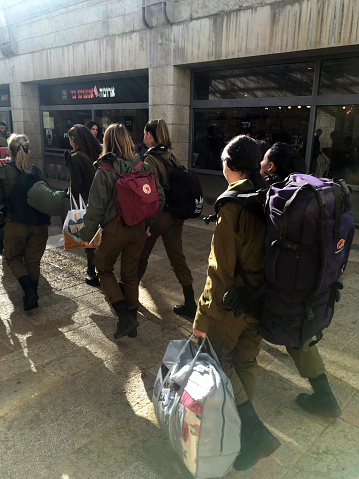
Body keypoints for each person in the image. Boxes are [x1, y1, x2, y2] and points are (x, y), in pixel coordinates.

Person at [193, 135, 280, 471]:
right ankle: (246, 434)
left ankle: (251, 434)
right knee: (246, 363)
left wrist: (201, 322)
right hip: (262, 301)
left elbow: (219, 272)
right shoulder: (268, 194)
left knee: (219, 364)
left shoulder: (232, 205)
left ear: (230, 165)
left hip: (233, 307)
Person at [260, 142, 342, 419]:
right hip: (313, 284)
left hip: (283, 287)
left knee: (292, 335)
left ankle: (325, 398)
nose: (260, 163)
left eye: (264, 159)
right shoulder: (304, 195)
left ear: (271, 166)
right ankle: (324, 395)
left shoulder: (278, 200)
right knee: (301, 336)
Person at [79, 123, 164, 340]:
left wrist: (84, 236)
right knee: (130, 274)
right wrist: (147, 224)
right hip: (137, 229)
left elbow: (95, 208)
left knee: (103, 268)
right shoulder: (143, 166)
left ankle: (125, 317)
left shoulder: (105, 169)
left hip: (115, 229)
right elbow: (159, 198)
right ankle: (132, 324)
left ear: (107, 141)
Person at [137, 119, 197, 320]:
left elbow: (152, 194)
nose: (144, 137)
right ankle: (190, 301)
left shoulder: (150, 160)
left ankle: (130, 293)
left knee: (141, 253)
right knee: (177, 256)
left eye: (145, 133)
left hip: (160, 216)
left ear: (150, 135)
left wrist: (147, 223)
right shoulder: (171, 156)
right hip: (176, 216)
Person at [0, 134, 50, 310]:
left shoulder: (4, 171)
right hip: (40, 225)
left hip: (15, 223)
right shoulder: (36, 171)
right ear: (28, 151)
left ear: (10, 151)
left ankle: (29, 292)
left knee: (13, 258)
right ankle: (33, 296)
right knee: (33, 261)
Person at [65, 124, 102, 286]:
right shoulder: (94, 154)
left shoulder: (75, 157)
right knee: (96, 237)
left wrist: (71, 203)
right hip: (99, 201)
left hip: (86, 202)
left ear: (74, 140)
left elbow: (76, 187)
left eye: (70, 138)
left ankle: (93, 271)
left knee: (88, 238)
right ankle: (93, 268)